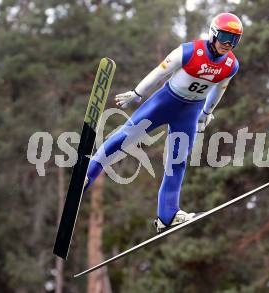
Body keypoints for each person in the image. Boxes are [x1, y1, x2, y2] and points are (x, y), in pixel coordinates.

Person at [84, 12, 243, 233]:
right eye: (225, 36)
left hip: (190, 111)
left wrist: (206, 112)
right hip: (165, 101)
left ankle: (167, 215)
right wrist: (137, 92)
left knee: (177, 161)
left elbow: (219, 89)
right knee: (126, 137)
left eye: (234, 39)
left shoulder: (231, 64)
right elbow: (160, 72)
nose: (228, 43)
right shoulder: (189, 51)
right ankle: (88, 173)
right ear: (213, 33)